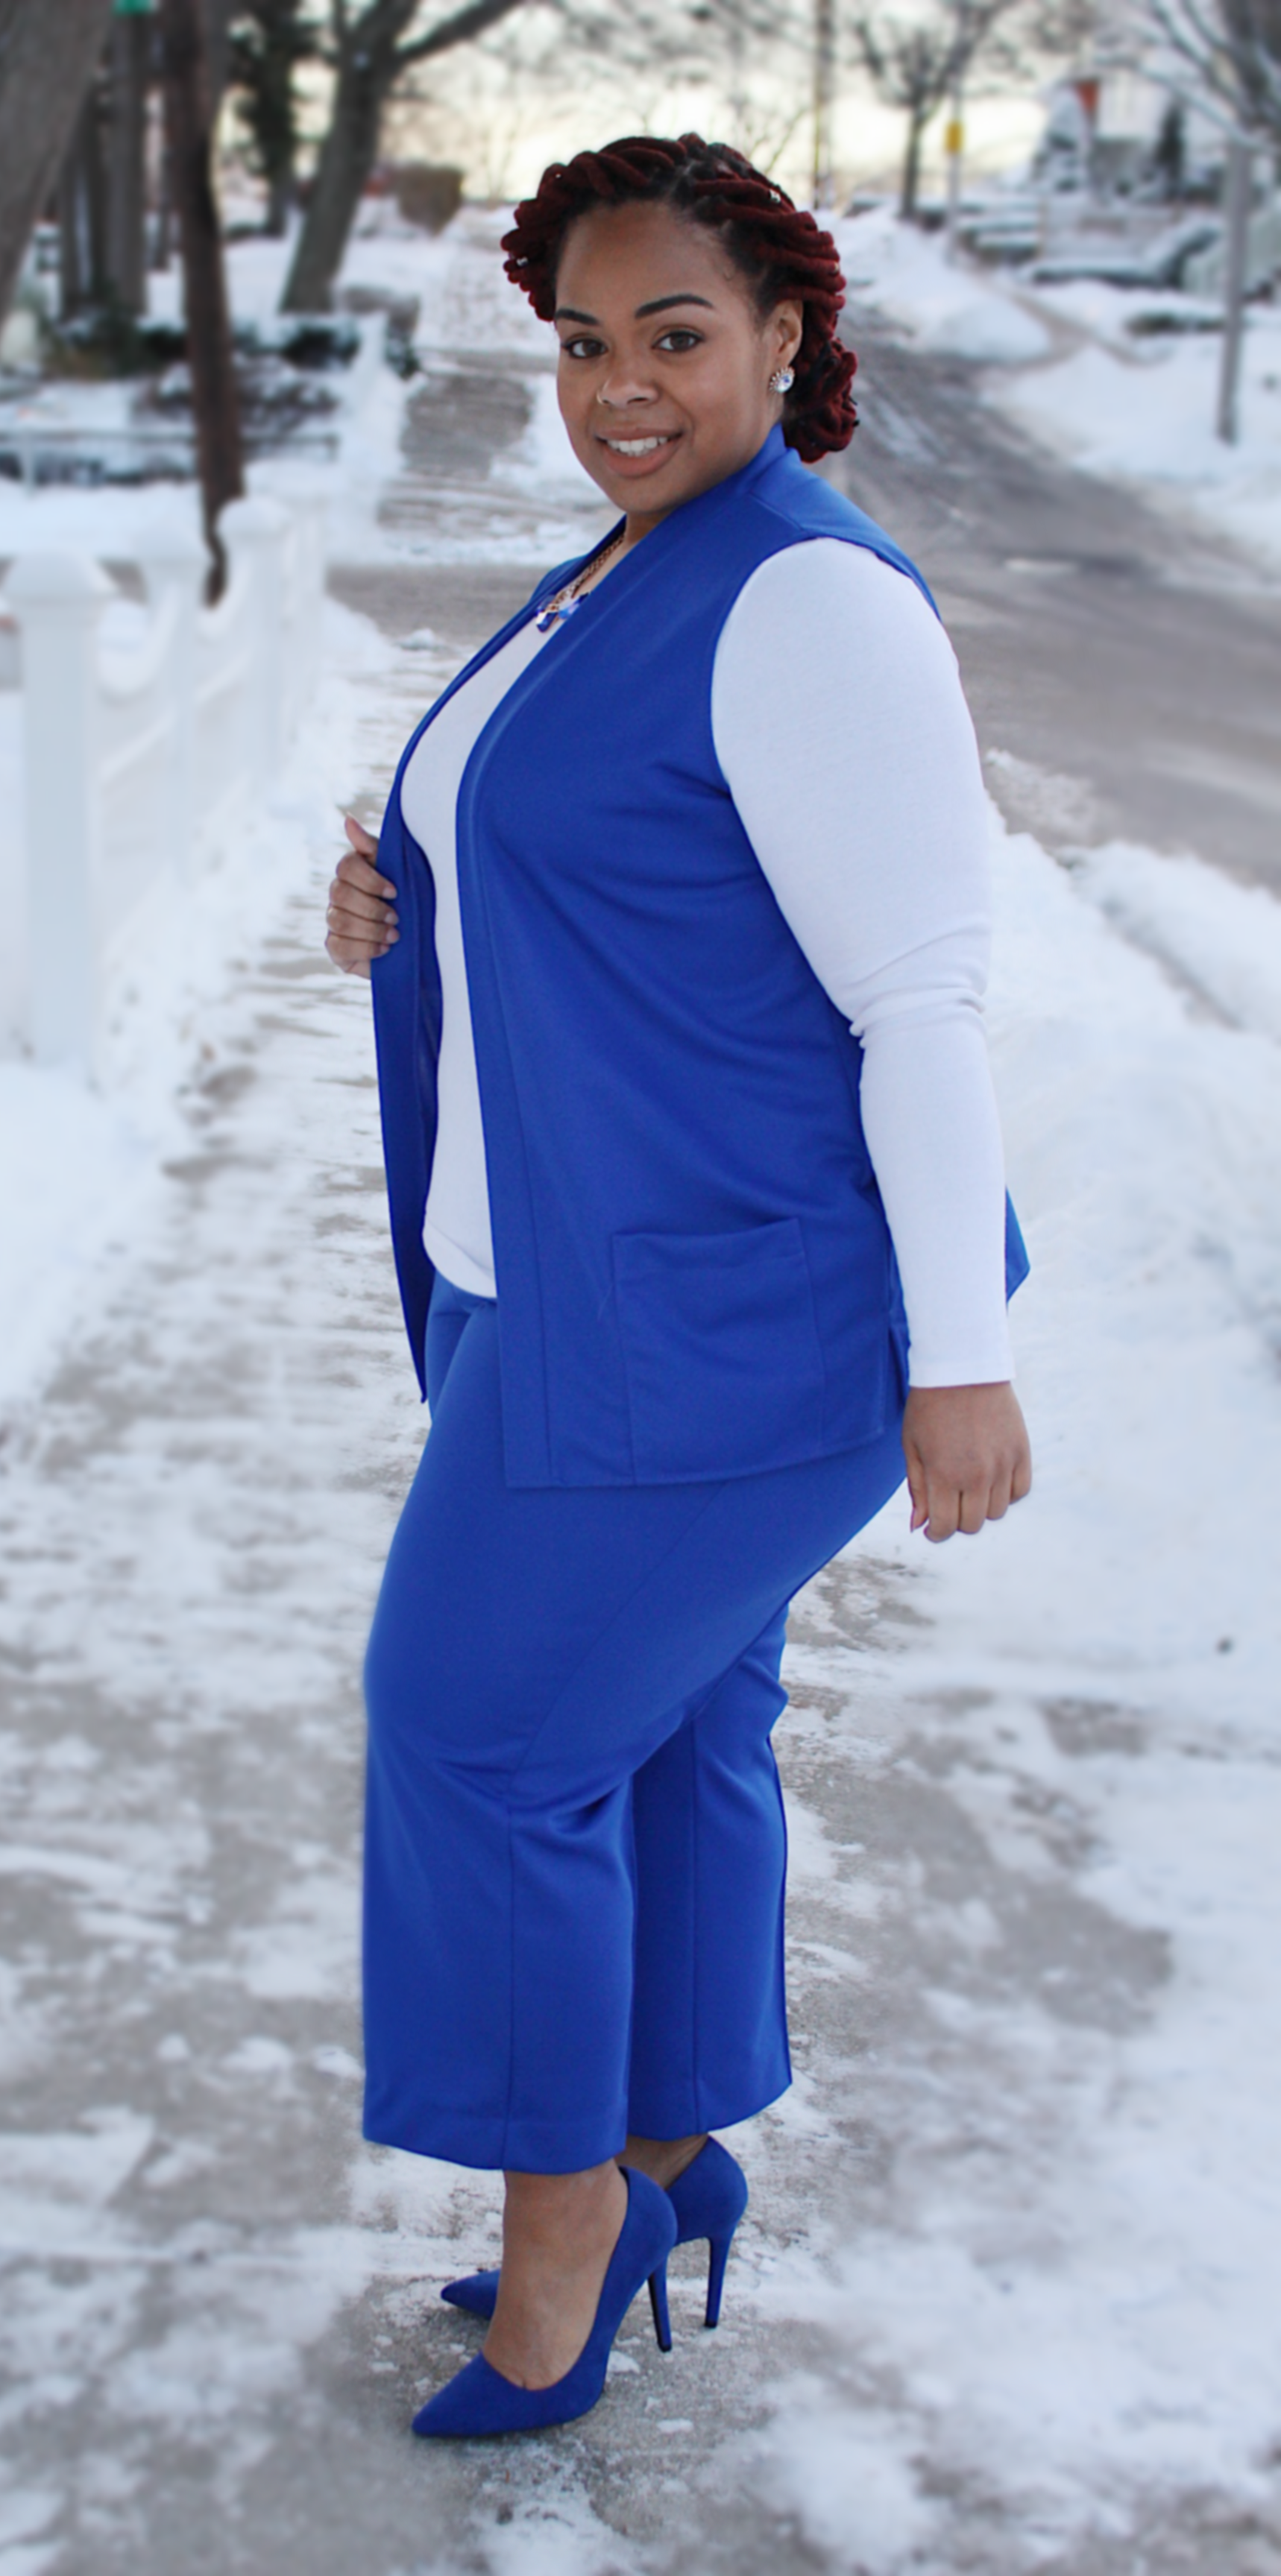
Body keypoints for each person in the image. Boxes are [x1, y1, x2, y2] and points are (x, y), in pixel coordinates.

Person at [324, 135, 1032, 2441]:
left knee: (482, 1735)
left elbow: (923, 997)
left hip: (720, 1330)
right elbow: (578, 848)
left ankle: (566, 2252)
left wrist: (964, 1365)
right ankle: (656, 2145)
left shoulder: (810, 598)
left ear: (788, 341)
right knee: (666, 1730)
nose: (621, 387)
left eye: (676, 337)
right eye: (584, 343)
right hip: (593, 1296)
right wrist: (402, 899)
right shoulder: (632, 564)